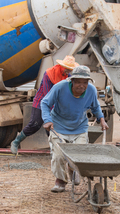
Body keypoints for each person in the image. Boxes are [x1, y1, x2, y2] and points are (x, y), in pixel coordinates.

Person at [41, 65, 109, 193]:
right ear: (72, 80)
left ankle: (73, 170)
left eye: (85, 82)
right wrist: (47, 120)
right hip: (59, 127)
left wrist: (102, 119)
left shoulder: (91, 91)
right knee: (58, 156)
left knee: (79, 156)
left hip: (79, 128)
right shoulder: (60, 87)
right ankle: (60, 181)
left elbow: (95, 106)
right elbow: (45, 103)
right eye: (78, 82)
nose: (81, 86)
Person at [10, 55, 79, 154]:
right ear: (61, 66)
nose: (68, 71)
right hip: (42, 101)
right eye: (66, 69)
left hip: (56, 104)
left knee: (53, 128)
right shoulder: (49, 74)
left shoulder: (68, 77)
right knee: (35, 124)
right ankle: (16, 142)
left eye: (70, 70)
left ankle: (54, 151)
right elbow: (48, 95)